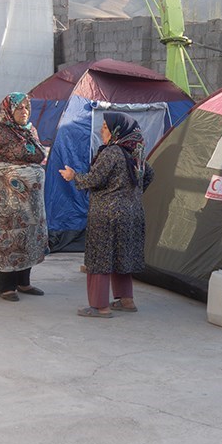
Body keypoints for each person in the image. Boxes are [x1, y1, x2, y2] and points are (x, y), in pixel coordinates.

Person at [59, 112, 154, 318]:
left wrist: (73, 176)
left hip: (107, 215)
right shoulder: (136, 153)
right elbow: (149, 174)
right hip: (132, 214)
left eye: (105, 127)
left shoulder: (112, 152)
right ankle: (126, 300)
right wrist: (131, 195)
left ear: (116, 131)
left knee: (99, 259)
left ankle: (100, 306)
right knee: (122, 256)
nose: (101, 130)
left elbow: (95, 179)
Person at [0, 92, 49, 302]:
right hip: (3, 200)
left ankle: (24, 282)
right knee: (6, 238)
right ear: (8, 110)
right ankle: (6, 287)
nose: (24, 112)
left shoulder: (30, 131)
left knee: (27, 236)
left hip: (30, 201)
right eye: (19, 108)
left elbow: (37, 157)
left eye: (27, 108)